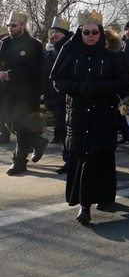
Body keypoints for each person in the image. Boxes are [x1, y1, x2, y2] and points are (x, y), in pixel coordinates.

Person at [50, 10, 129, 223]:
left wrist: (100, 88)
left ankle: (104, 197)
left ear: (101, 34)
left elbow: (123, 82)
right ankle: (84, 205)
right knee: (82, 156)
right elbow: (58, 81)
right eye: (87, 32)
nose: (91, 35)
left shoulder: (111, 58)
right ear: (80, 33)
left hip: (103, 115)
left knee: (101, 156)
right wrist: (78, 87)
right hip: (78, 114)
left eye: (95, 32)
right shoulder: (71, 56)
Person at [1, 11, 48, 175]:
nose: (10, 29)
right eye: (9, 26)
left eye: (13, 26)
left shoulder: (33, 44)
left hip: (25, 93)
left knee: (20, 124)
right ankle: (37, 142)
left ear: (22, 25)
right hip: (6, 91)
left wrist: (10, 74)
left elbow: (35, 69)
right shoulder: (4, 43)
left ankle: (19, 162)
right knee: (10, 123)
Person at [44, 16, 73, 173]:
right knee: (62, 131)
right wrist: (47, 97)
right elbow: (47, 75)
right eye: (52, 32)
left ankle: (72, 160)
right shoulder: (52, 50)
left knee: (69, 130)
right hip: (55, 97)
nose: (54, 35)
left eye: (57, 32)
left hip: (67, 97)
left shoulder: (69, 49)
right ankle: (67, 159)